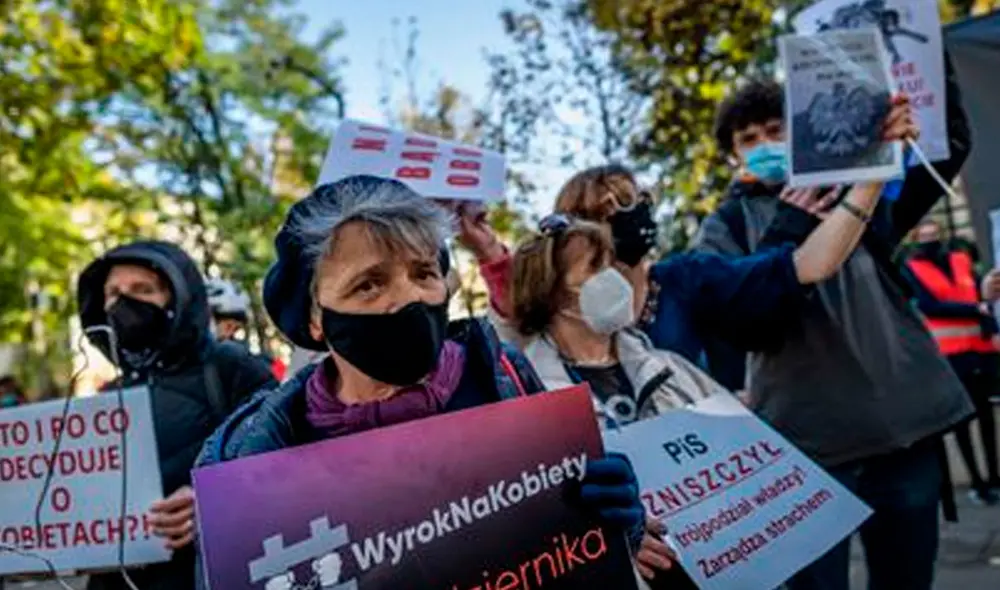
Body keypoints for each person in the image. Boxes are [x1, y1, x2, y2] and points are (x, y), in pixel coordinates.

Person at [194, 176, 656, 589]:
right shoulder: (244, 454)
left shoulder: (504, 376)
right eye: (369, 285)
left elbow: (569, 552)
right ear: (316, 318)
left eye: (423, 272)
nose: (410, 297)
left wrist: (615, 528)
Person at [693, 51, 972, 590]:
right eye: (748, 138)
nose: (764, 143)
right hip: (807, 452)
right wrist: (792, 225)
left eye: (776, 129)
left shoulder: (860, 191)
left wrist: (924, 59)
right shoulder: (724, 228)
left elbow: (947, 147)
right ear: (733, 156)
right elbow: (747, 323)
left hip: (903, 436)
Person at [457, 154, 904, 392]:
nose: (618, 218)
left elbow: (806, 265)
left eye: (628, 201)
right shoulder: (555, 309)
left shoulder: (687, 278)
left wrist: (869, 180)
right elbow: (515, 317)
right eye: (598, 212)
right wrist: (489, 250)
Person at [76, 240, 278, 590]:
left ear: (178, 298)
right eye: (113, 293)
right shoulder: (107, 397)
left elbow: (287, 465)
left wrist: (214, 503)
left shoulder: (231, 368)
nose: (123, 303)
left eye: (143, 289)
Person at [902, 219, 1000, 504]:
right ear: (916, 239)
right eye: (925, 236)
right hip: (949, 356)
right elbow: (930, 306)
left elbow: (982, 298)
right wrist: (975, 308)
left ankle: (994, 476)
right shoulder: (912, 269)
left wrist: (991, 329)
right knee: (962, 423)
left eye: (935, 234)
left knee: (986, 418)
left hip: (979, 350)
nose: (931, 239)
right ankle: (977, 482)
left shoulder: (961, 259)